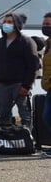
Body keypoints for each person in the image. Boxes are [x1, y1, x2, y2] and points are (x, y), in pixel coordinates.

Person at [0, 13, 38, 129]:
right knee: (4, 115)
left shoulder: (27, 42)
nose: (6, 24)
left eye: (10, 22)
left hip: (20, 85)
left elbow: (32, 65)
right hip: (2, 85)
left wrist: (26, 86)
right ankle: (6, 139)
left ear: (17, 24)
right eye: (5, 22)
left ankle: (27, 140)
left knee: (25, 115)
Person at [39, 12, 51, 157]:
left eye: (48, 24)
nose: (45, 26)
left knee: (47, 116)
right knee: (47, 116)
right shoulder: (47, 44)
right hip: (49, 86)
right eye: (44, 24)